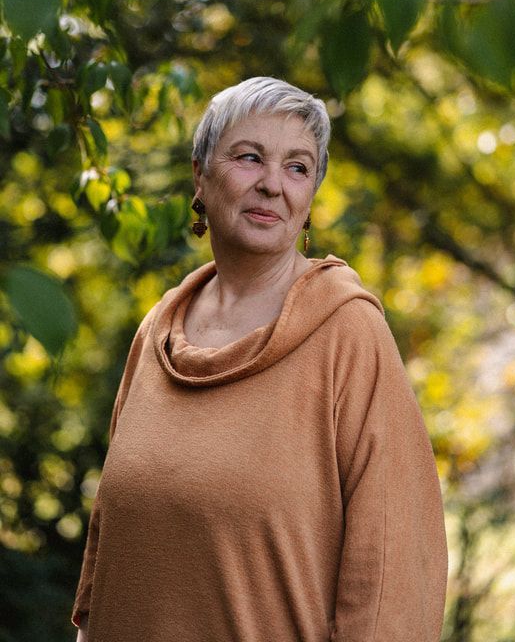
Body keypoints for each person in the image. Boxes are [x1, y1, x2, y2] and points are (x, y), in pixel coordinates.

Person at [72, 76, 448, 642]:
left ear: (311, 198)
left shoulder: (348, 333)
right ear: (200, 174)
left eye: (298, 168)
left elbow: (394, 574)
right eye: (250, 158)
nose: (274, 185)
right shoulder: (158, 332)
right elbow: (109, 549)